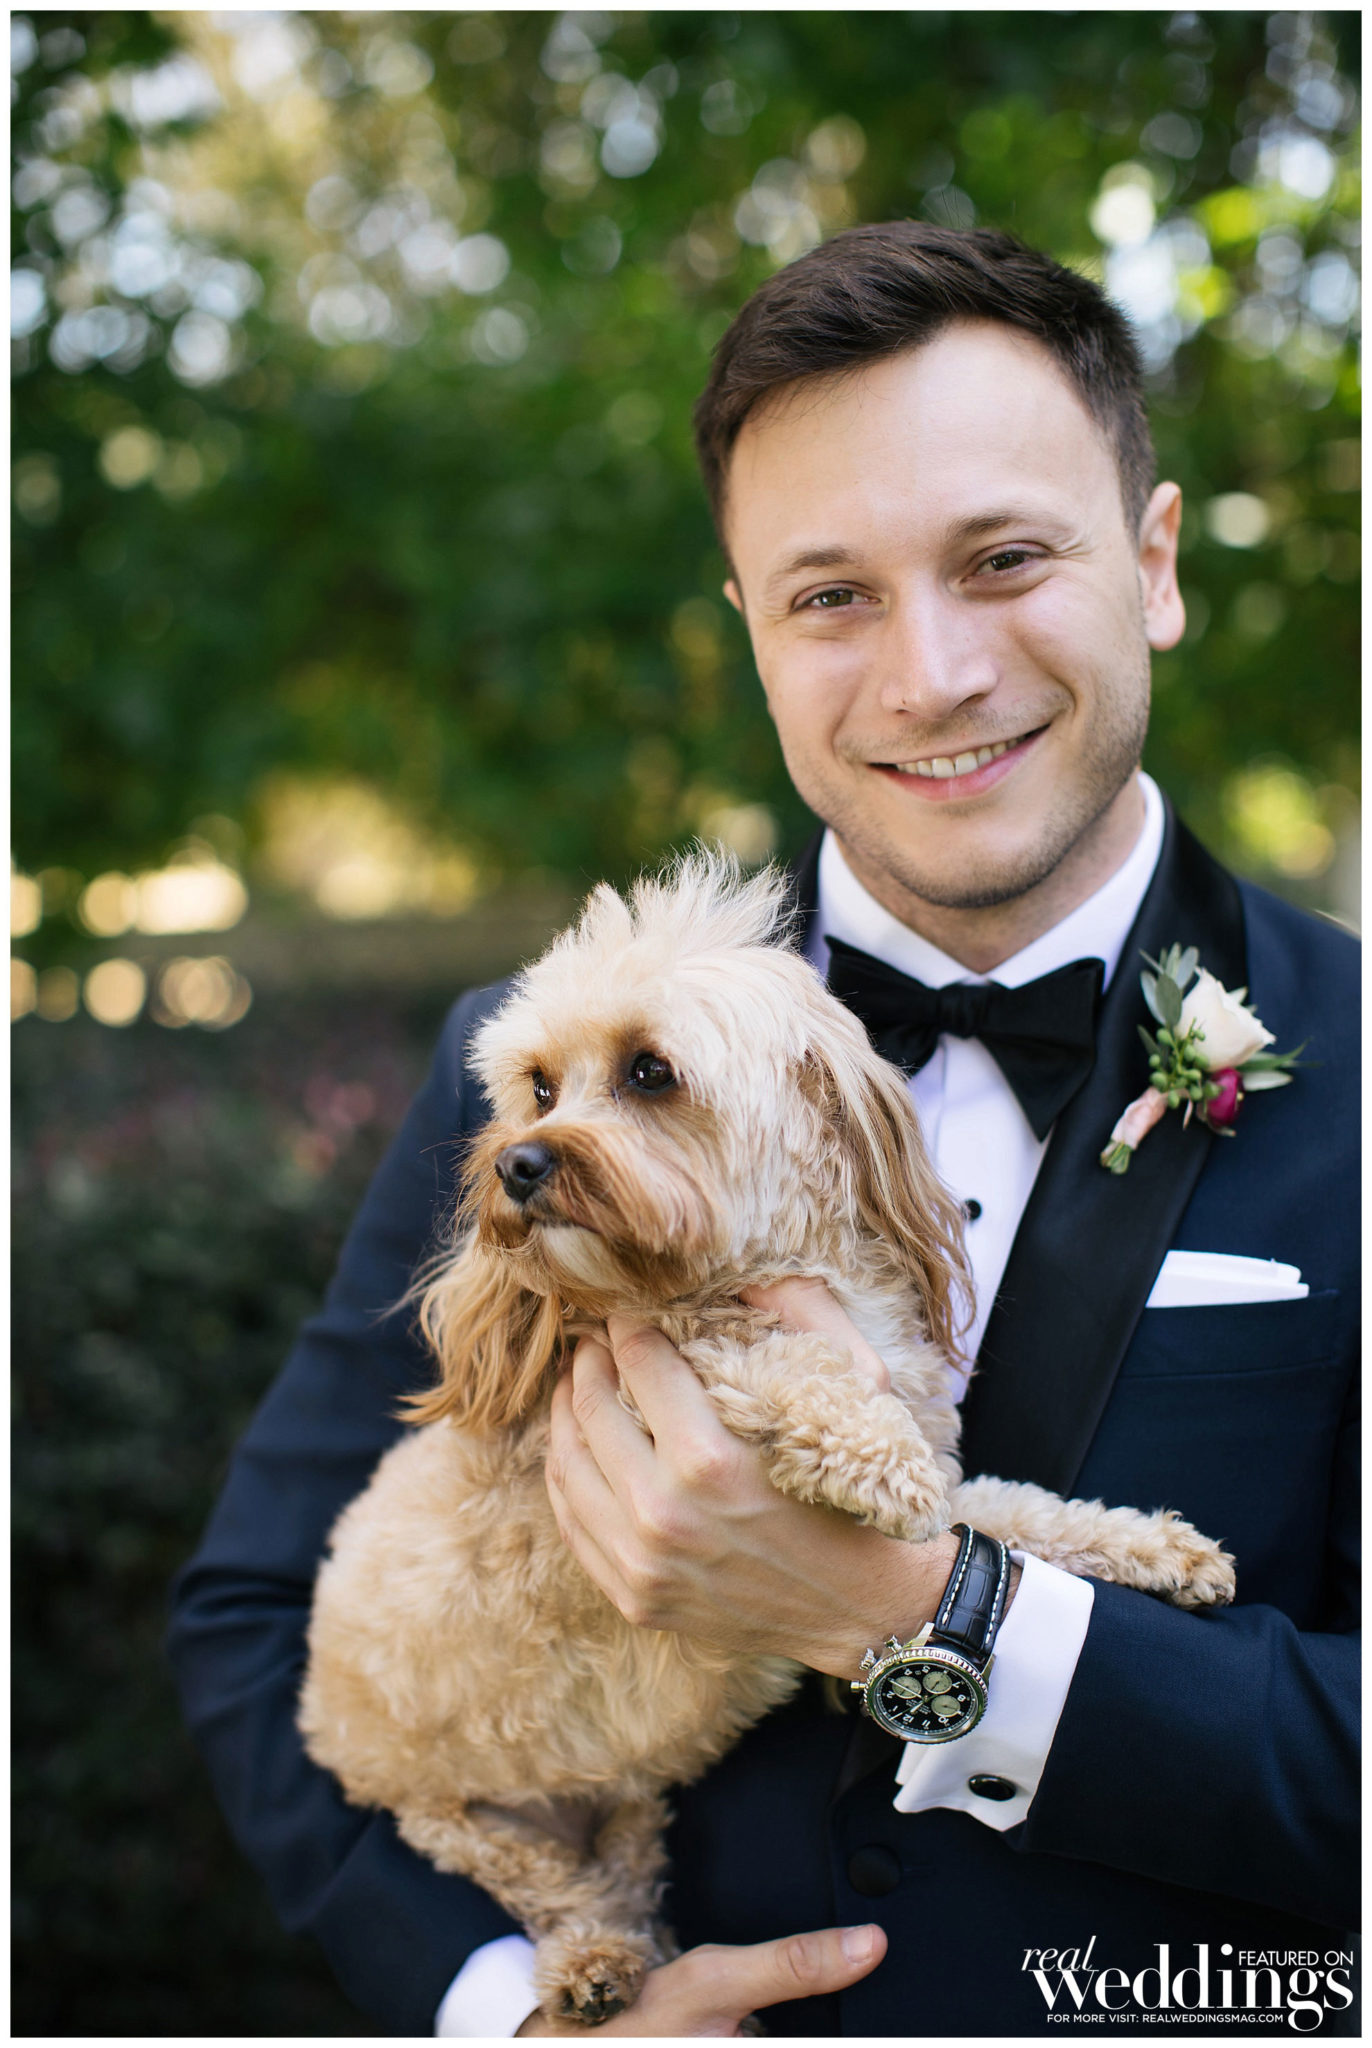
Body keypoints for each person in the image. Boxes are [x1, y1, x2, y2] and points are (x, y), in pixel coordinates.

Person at [167, 224, 1359, 2038]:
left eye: (1004, 560)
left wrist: (913, 1618)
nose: (930, 673)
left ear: (1154, 562)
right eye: (832, 597)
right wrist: (511, 2009)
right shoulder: (533, 1080)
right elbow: (260, 1617)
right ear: (750, 630)